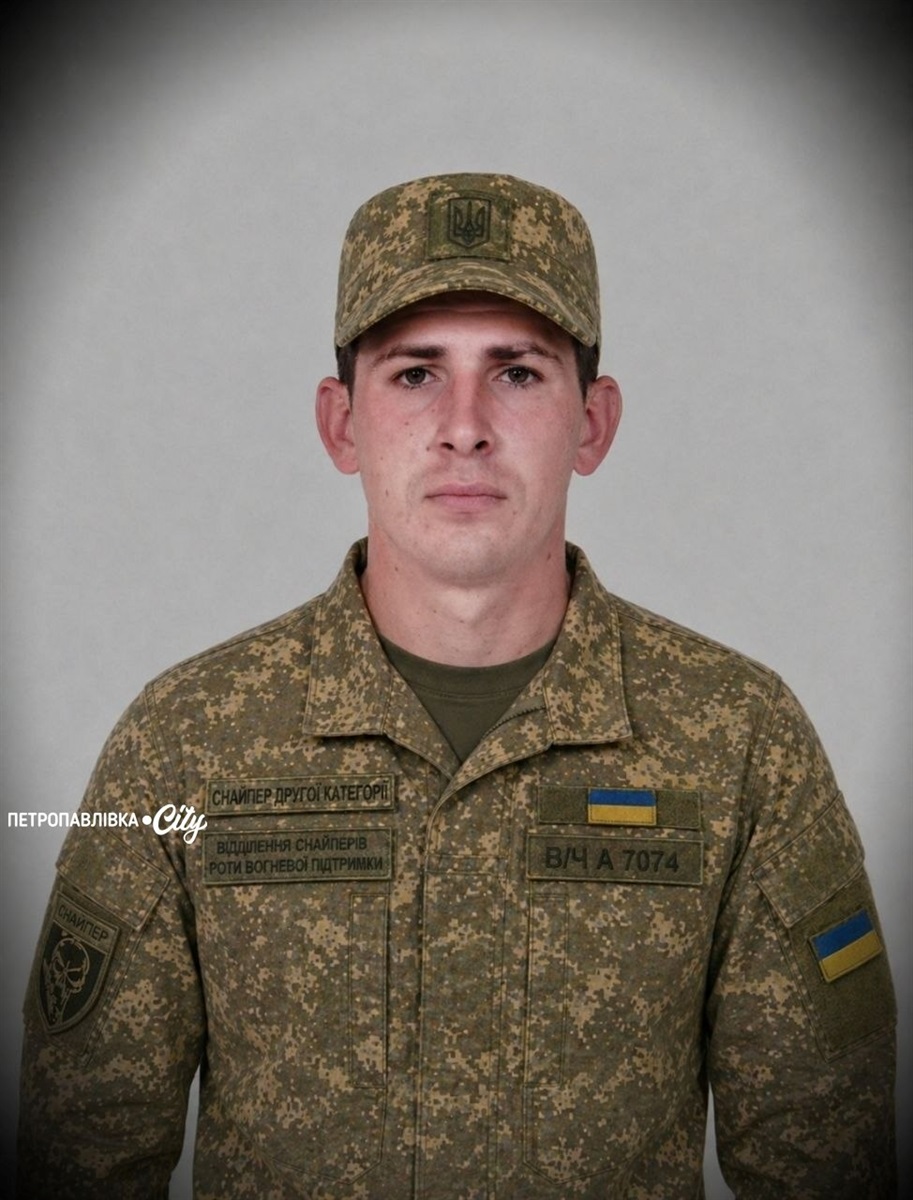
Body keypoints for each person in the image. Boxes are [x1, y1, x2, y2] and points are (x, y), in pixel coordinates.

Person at [17, 173, 896, 1199]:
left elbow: (825, 1158)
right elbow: (79, 1152)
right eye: (414, 374)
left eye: (517, 372)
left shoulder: (738, 739)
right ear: (341, 424)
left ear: (592, 423)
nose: (464, 426)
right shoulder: (184, 742)